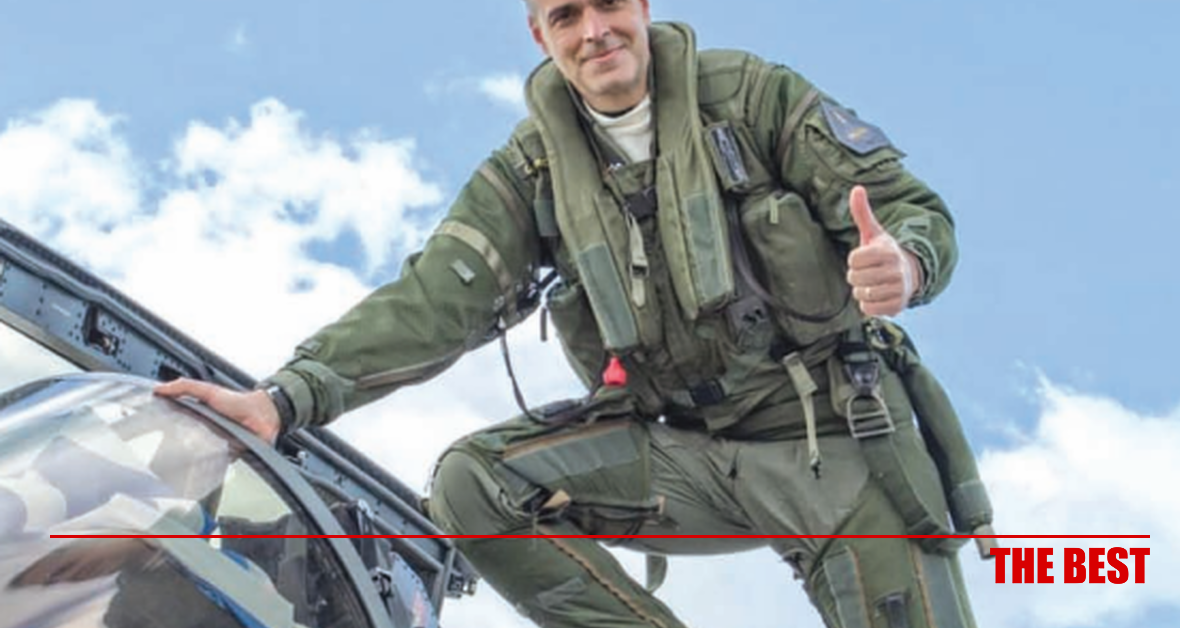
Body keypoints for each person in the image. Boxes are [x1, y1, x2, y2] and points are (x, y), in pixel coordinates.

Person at [158, 1, 996, 626]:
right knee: (474, 483)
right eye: (566, 15)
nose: (594, 32)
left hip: (834, 448)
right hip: (684, 455)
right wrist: (284, 399)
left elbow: (908, 210)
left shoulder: (750, 97)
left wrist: (906, 264)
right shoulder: (532, 172)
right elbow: (433, 300)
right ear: (541, 35)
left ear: (642, 7)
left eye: (608, 5)